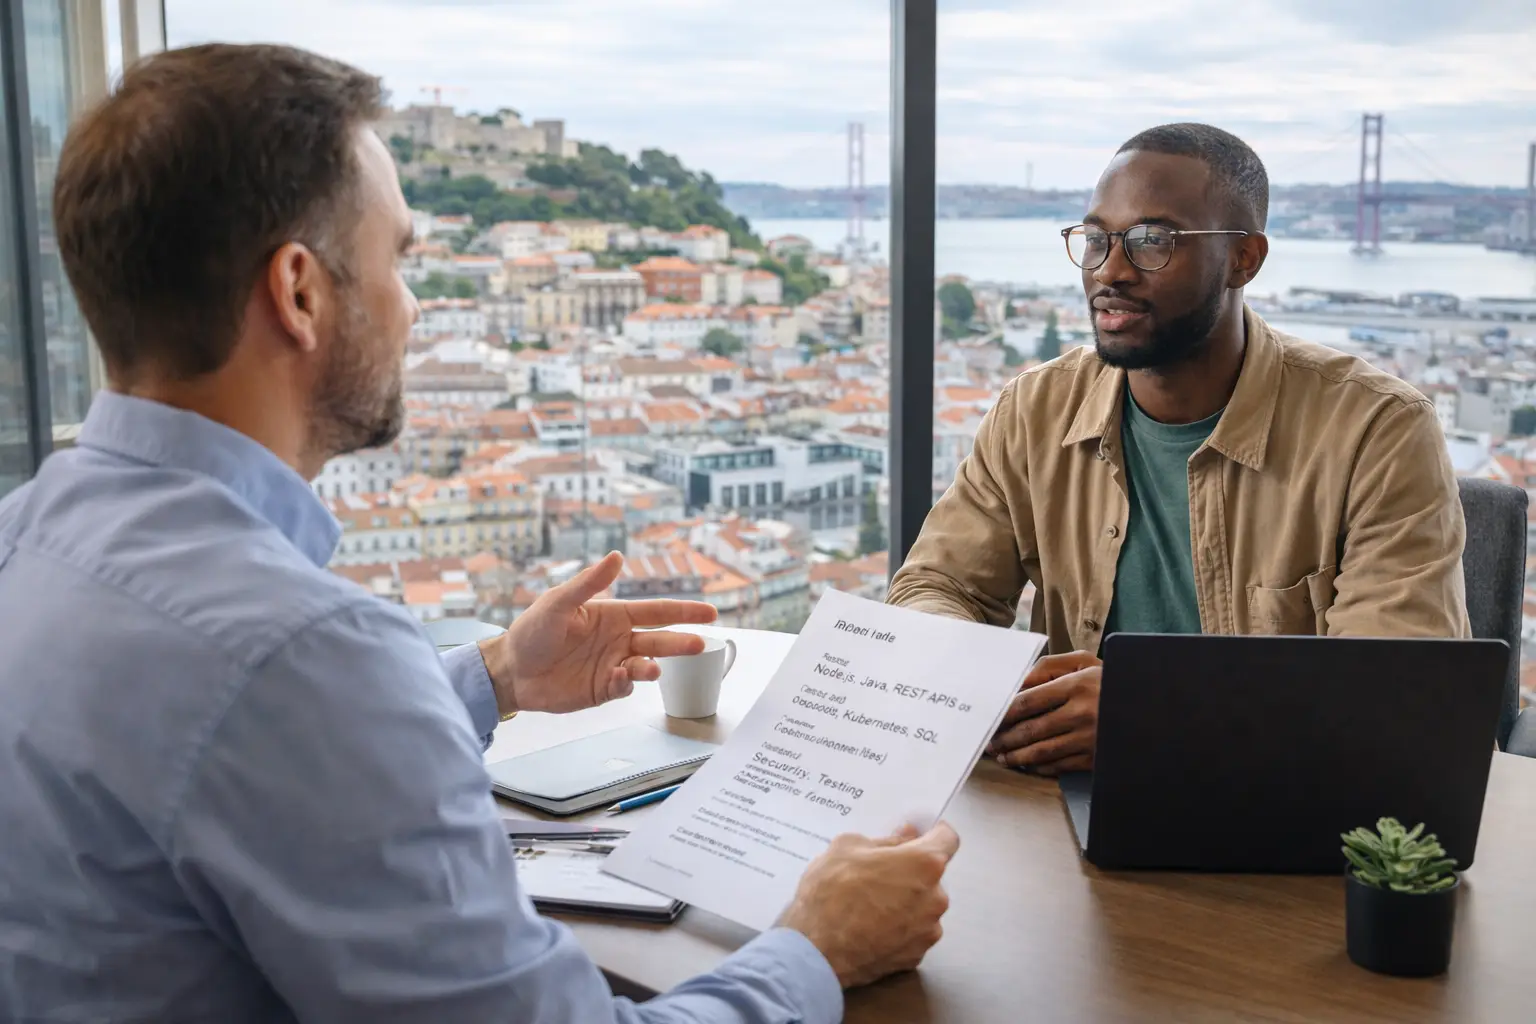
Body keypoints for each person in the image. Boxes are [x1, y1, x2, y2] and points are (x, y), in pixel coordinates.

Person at [0, 44, 957, 1023]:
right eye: (400, 258)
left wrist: (496, 674)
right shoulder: (300, 654)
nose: (416, 307)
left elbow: (242, 763)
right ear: (299, 292)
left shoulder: (23, 541)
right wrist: (814, 946)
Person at [889, 123, 1468, 776]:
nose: (1110, 269)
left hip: (1280, 807)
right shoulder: (1035, 410)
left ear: (1245, 259)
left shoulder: (1376, 429)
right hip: (1064, 801)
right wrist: (981, 679)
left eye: (1152, 241)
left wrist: (1150, 714)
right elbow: (937, 586)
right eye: (1097, 240)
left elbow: (1398, 690)